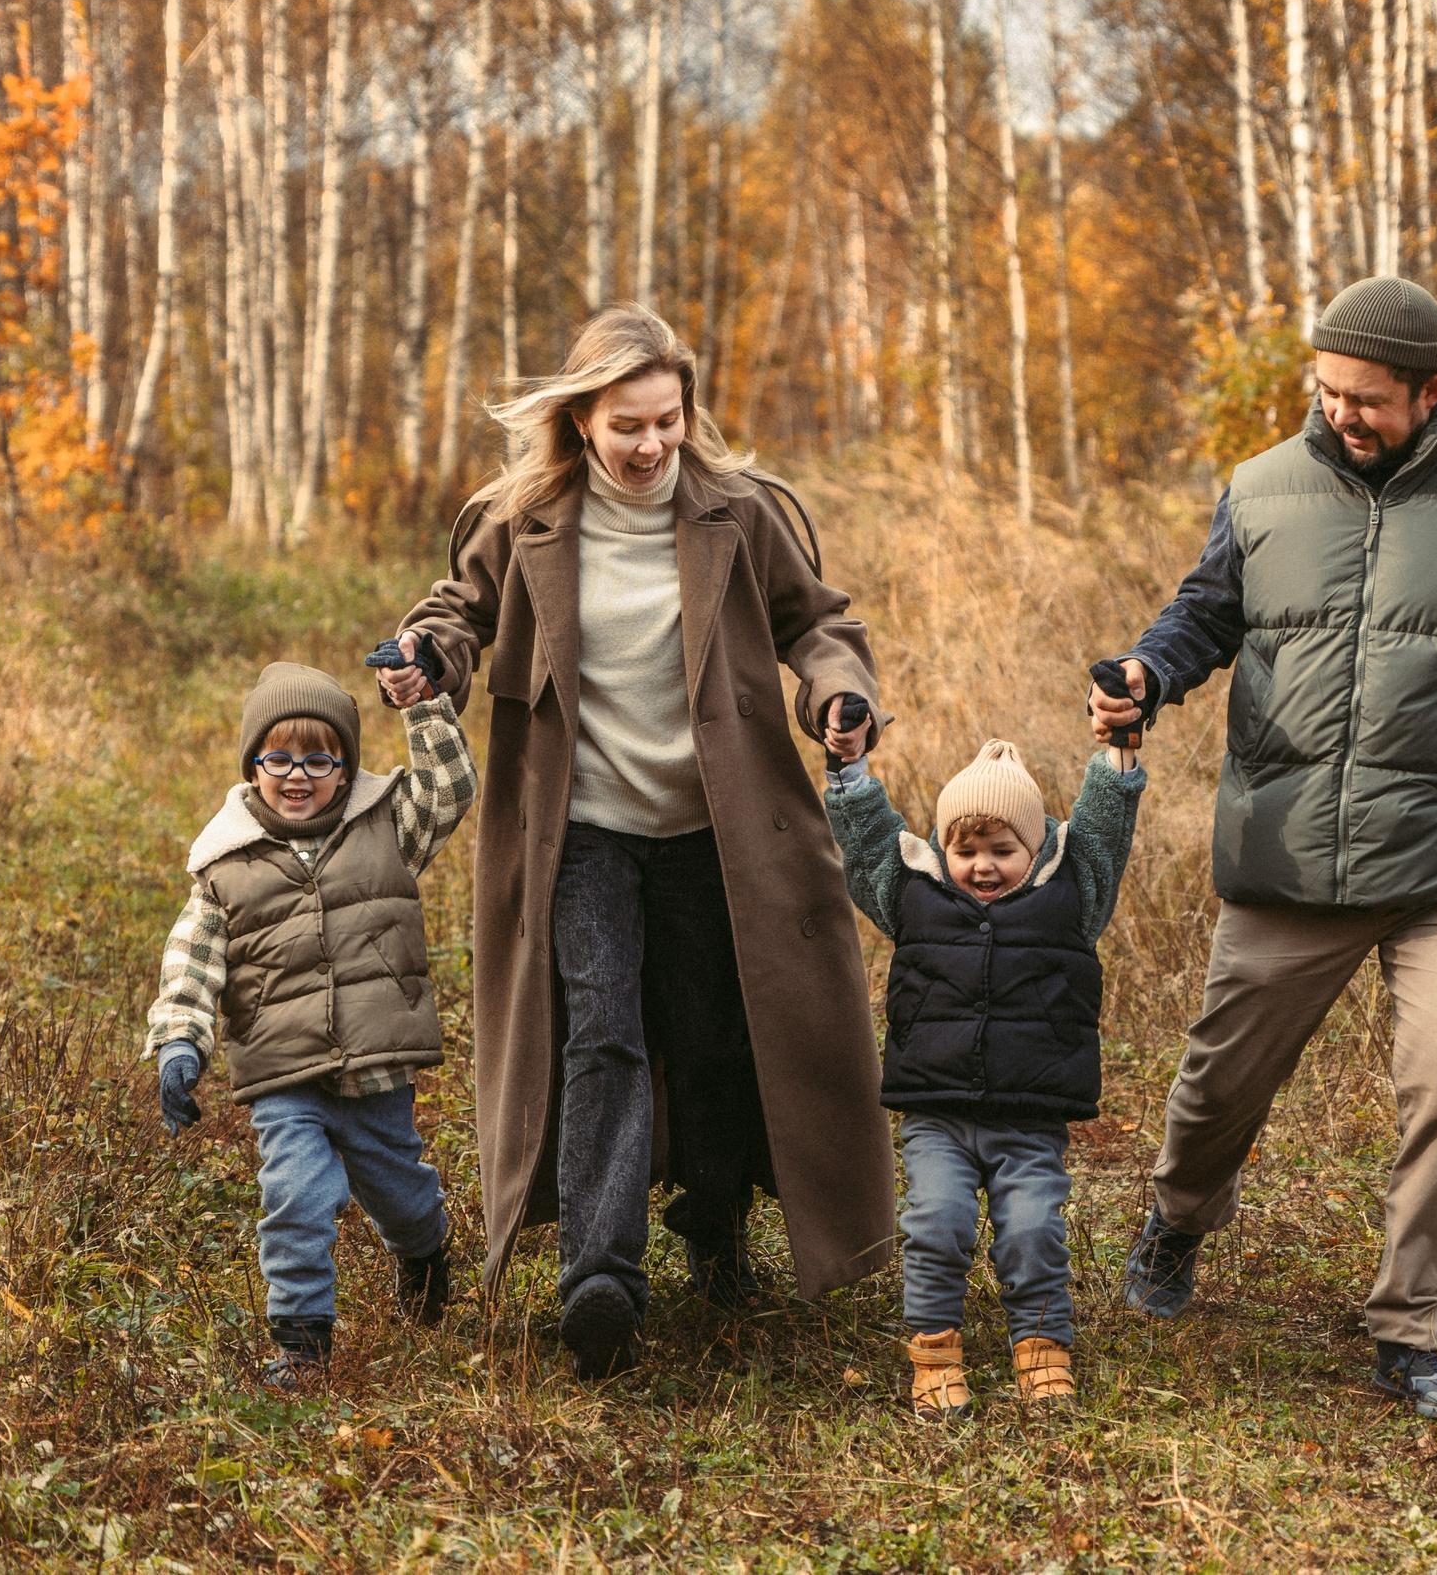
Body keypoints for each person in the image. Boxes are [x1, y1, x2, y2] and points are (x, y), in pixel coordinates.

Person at [1092, 275, 1437, 1421]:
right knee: (1217, 1085)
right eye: (1328, 390)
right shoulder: (1261, 487)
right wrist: (1149, 673)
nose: (1342, 413)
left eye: (1368, 398)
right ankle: (1177, 1218)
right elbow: (1204, 614)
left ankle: (1416, 1326)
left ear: (1431, 392)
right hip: (1291, 855)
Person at [382, 305, 897, 1379]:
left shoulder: (742, 510)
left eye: (667, 419)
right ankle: (600, 1277)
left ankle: (713, 1220)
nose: (651, 444)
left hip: (721, 825)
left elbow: (819, 623)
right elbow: (456, 610)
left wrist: (838, 690)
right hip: (581, 827)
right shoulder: (517, 517)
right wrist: (430, 653)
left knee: (719, 1039)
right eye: (627, 424)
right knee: (601, 1030)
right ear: (578, 421)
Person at [147, 662, 478, 1389]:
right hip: (285, 1074)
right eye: (279, 758)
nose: (298, 775)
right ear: (253, 763)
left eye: (320, 758)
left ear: (344, 765)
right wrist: (180, 1041)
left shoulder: (385, 828)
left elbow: (452, 791)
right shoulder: (224, 865)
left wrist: (422, 707)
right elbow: (191, 965)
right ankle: (302, 1343)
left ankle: (424, 1253)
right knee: (296, 1194)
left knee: (403, 1195)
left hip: (376, 1066)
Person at [823, 733, 1146, 1419]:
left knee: (1032, 1229)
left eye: (1003, 850)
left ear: (1036, 850)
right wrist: (849, 771)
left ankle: (1041, 1346)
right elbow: (872, 842)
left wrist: (1118, 756)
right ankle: (935, 1355)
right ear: (944, 847)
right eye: (966, 850)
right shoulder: (915, 894)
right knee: (935, 1224)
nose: (983, 866)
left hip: (1028, 1117)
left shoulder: (1071, 897)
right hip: (937, 1113)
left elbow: (1104, 831)